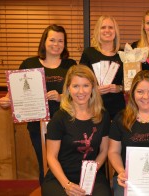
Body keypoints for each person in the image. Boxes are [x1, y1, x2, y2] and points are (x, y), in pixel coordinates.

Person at [0, 24, 76, 184]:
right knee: (46, 165)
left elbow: (81, 93)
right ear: (44, 42)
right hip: (38, 125)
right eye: (52, 40)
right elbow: (14, 92)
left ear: (65, 43)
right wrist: (6, 101)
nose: (56, 44)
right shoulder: (29, 64)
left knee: (66, 164)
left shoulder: (71, 65)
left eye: (60, 41)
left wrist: (61, 97)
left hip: (67, 124)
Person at [41, 65, 111, 196]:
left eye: (85, 85)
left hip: (91, 176)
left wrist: (91, 172)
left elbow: (104, 150)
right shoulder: (59, 118)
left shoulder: (102, 115)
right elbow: (51, 156)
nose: (81, 91)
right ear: (68, 88)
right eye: (75, 86)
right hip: (60, 177)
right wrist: (66, 184)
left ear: (93, 88)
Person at [80, 15, 125, 120]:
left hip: (118, 108)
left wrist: (119, 88)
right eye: (103, 27)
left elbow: (131, 83)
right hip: (93, 106)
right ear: (97, 31)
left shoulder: (123, 54)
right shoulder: (89, 53)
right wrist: (94, 90)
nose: (107, 30)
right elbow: (80, 80)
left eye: (111, 27)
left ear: (115, 31)